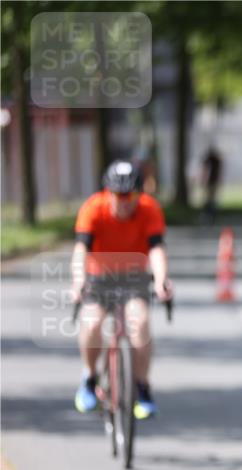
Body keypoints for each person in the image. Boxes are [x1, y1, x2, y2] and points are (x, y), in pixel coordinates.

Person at [72, 160, 173, 419]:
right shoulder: (93, 208)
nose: (124, 201)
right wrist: (78, 280)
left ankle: (142, 386)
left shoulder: (149, 209)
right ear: (108, 192)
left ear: (140, 194)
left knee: (139, 323)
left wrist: (162, 279)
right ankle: (89, 377)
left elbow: (157, 249)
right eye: (118, 194)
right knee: (92, 323)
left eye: (131, 195)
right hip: (99, 276)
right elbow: (81, 250)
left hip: (133, 276)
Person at [200, 146, 222, 222]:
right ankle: (211, 214)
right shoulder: (216, 161)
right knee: (211, 199)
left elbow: (204, 166)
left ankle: (209, 214)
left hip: (211, 182)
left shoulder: (213, 161)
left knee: (209, 199)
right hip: (212, 182)